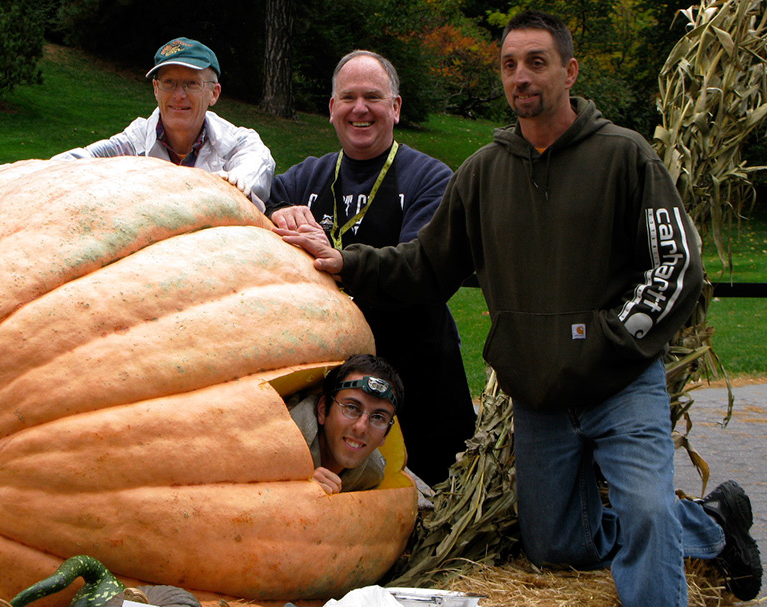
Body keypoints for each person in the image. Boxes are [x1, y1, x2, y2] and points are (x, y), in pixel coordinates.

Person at [275, 10, 762, 606]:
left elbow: (676, 264)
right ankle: (713, 524)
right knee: (554, 545)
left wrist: (611, 339)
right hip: (541, 399)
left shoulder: (624, 156)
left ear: (569, 71)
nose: (521, 76)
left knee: (643, 512)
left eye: (537, 62)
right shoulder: (485, 173)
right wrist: (345, 262)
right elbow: (423, 266)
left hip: (621, 384)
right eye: (510, 65)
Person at [266, 50, 474, 486]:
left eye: (373, 97)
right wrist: (279, 212)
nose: (359, 109)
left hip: (420, 386)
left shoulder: (431, 179)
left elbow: (421, 271)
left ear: (395, 108)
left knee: (420, 508)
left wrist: (342, 261)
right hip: (333, 391)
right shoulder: (306, 178)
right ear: (332, 109)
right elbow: (261, 207)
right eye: (348, 98)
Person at [51, 37, 275, 210]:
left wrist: (236, 185)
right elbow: (77, 163)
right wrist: (29, 173)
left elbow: (255, 167)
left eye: (191, 83)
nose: (179, 95)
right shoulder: (134, 141)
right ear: (156, 89)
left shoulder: (238, 143)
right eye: (169, 83)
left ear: (214, 93)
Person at [288, 354, 403, 494]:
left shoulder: (370, 476)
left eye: (378, 417)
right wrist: (294, 489)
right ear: (323, 410)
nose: (361, 427)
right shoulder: (280, 439)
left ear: (386, 435)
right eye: (351, 408)